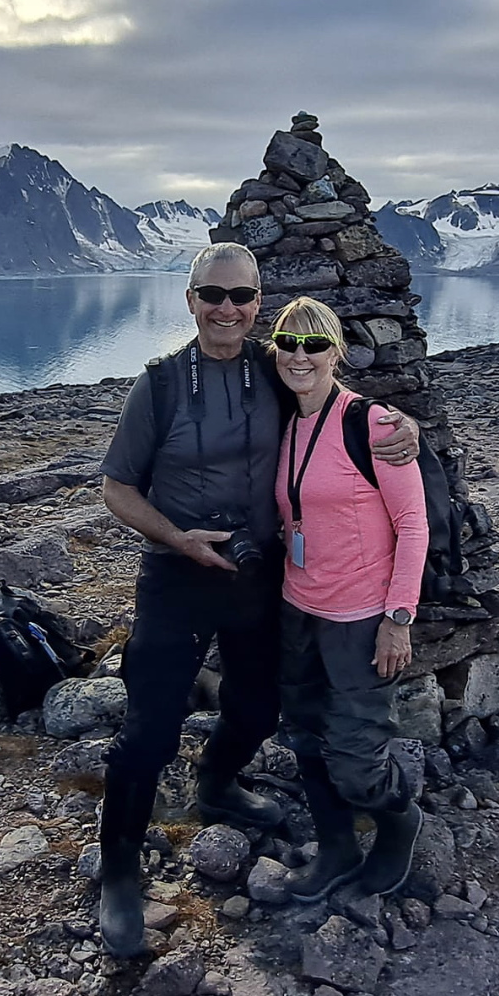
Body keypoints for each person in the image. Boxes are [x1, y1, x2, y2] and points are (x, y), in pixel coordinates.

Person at [97, 243, 418, 956]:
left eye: (242, 297)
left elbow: (330, 400)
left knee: (257, 707)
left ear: (257, 305)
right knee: (148, 729)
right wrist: (180, 539)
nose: (227, 309)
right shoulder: (157, 386)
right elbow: (117, 488)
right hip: (177, 574)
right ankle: (118, 870)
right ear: (190, 299)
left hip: (258, 574)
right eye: (212, 294)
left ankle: (215, 784)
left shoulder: (272, 373)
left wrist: (399, 425)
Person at [271, 295, 430, 902]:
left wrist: (398, 619)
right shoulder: (282, 422)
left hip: (362, 620)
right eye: (288, 342)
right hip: (297, 609)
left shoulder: (375, 425)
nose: (300, 355)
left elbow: (413, 525)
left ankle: (398, 819)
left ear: (337, 352)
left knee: (357, 760)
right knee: (306, 737)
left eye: (315, 344)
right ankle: (337, 848)